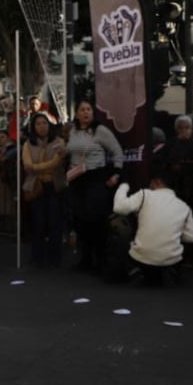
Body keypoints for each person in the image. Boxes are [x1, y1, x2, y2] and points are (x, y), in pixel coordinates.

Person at [111, 167, 193, 286]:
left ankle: (132, 272)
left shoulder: (145, 194)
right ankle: (172, 272)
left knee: (117, 238)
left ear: (157, 182)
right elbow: (191, 237)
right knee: (180, 245)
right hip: (171, 259)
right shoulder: (184, 207)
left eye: (151, 182)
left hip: (141, 258)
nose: (149, 185)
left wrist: (123, 186)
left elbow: (119, 208)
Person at [66, 99, 124, 273]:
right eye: (82, 110)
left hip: (95, 178)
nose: (86, 113)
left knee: (96, 221)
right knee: (80, 221)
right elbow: (70, 152)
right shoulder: (73, 131)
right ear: (76, 113)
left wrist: (116, 173)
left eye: (89, 109)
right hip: (77, 179)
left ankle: (100, 261)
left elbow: (117, 151)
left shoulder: (100, 130)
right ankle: (85, 259)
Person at [22, 112, 67, 267]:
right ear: (33, 127)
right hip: (36, 186)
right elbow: (26, 165)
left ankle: (55, 258)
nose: (42, 127)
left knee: (55, 222)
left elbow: (56, 163)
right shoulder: (28, 144)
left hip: (54, 185)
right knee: (38, 223)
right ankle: (37, 257)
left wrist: (36, 167)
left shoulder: (59, 142)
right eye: (38, 124)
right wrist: (37, 168)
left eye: (44, 123)